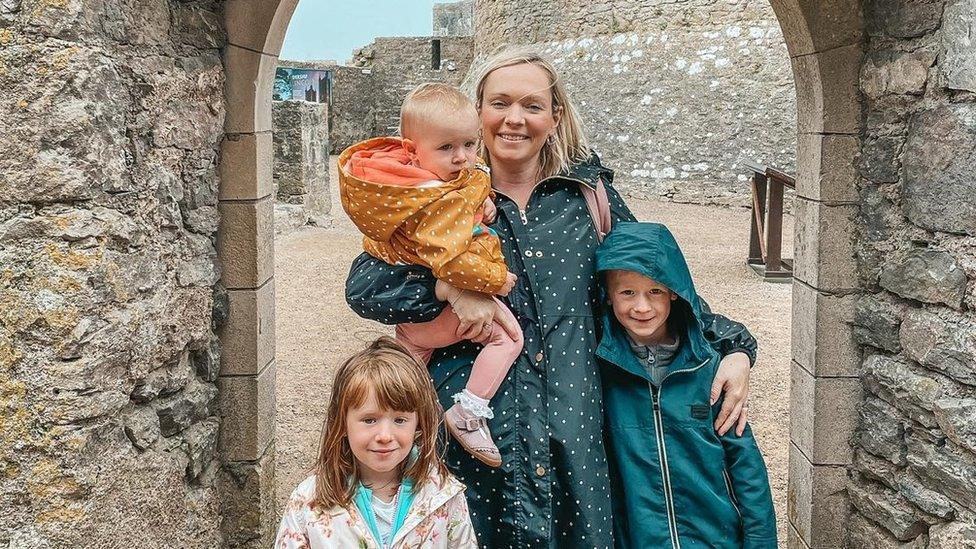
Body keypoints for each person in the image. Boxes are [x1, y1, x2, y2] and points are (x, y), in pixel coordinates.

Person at [346, 47, 758, 548]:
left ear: (555, 116)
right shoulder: (434, 199)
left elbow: (652, 283)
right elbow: (365, 288)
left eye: (532, 105)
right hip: (469, 436)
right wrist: (443, 287)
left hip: (575, 431)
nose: (514, 119)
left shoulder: (586, 196)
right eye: (499, 103)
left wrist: (734, 345)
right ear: (478, 111)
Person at [337, 83, 524, 468]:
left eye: (469, 146)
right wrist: (494, 280)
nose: (462, 158)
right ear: (412, 149)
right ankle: (469, 412)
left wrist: (481, 203)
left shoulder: (403, 191)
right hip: (448, 316)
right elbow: (451, 260)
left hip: (413, 326)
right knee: (509, 338)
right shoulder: (438, 200)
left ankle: (387, 434)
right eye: (447, 148)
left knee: (398, 381)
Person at [595, 222, 777, 548]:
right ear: (608, 296)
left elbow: (747, 470)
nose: (642, 306)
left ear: (674, 293)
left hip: (716, 539)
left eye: (655, 291)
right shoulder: (599, 372)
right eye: (627, 292)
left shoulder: (708, 367)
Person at [274, 337, 479, 548]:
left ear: (418, 425)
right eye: (369, 420)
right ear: (342, 423)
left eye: (399, 420)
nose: (384, 435)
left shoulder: (444, 496)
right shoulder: (308, 501)